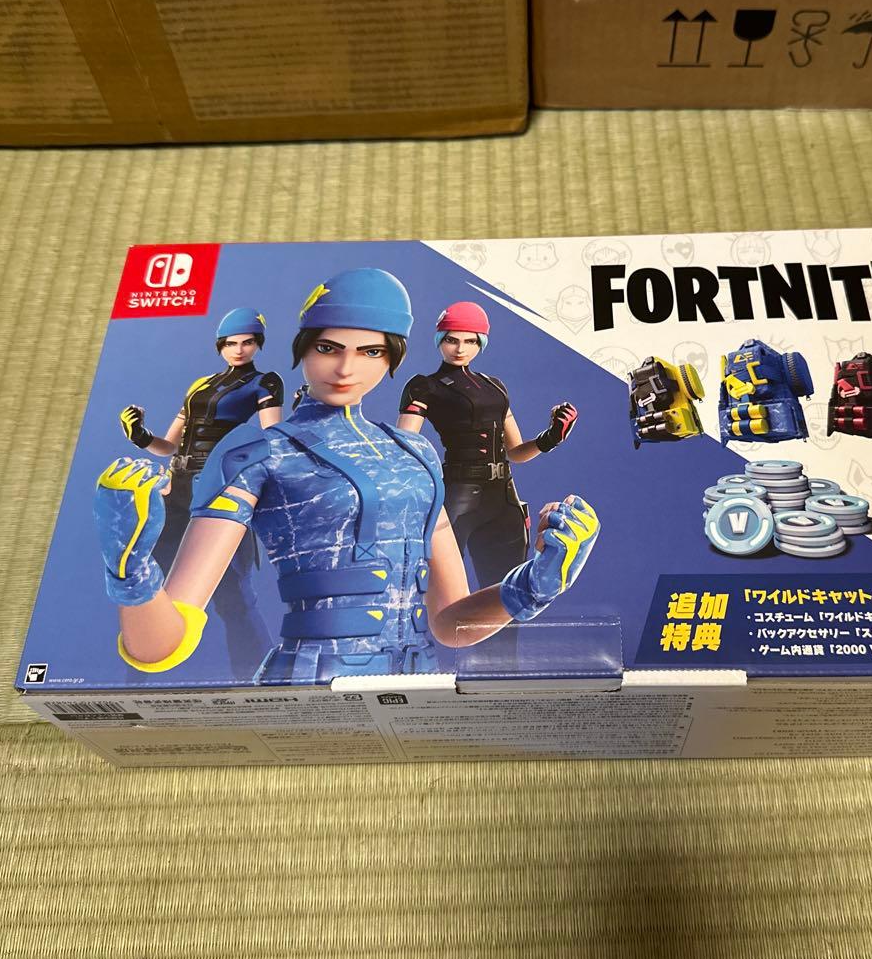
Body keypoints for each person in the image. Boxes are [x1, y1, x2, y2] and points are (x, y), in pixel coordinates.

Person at [95, 270, 599, 685]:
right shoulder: (255, 456)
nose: (344, 367)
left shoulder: (417, 454)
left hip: (415, 689)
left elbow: (451, 625)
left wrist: (533, 586)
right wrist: (130, 571)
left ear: (392, 357)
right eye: (327, 347)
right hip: (307, 690)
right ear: (303, 350)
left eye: (370, 351)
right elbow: (162, 645)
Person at [116, 307, 282, 677]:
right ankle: (135, 681)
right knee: (150, 589)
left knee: (234, 594)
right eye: (231, 343)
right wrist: (140, 436)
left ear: (258, 344)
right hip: (174, 489)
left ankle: (258, 682)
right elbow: (169, 446)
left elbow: (272, 439)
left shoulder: (265, 383)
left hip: (218, 488)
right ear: (220, 345)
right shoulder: (199, 386)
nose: (239, 349)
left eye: (248, 342)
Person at [396, 301, 578, 589]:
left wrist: (551, 437)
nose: (460, 348)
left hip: (504, 499)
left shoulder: (495, 387)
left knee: (507, 593)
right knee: (437, 590)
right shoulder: (424, 386)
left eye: (470, 341)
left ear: (481, 342)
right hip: (458, 496)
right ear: (439, 340)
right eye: (451, 340)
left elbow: (516, 453)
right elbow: (405, 447)